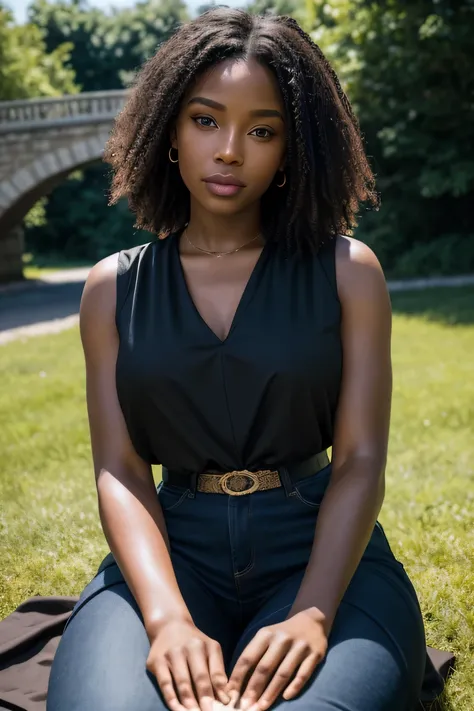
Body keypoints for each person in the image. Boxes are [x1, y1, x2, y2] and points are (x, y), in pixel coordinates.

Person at [46, 7, 429, 711]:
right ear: (169, 130)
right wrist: (164, 618)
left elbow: (359, 461)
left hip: (321, 553)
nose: (229, 150)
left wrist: (314, 612)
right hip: (172, 554)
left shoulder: (348, 272)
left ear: (293, 149)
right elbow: (121, 470)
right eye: (205, 120)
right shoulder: (111, 289)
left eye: (262, 131)